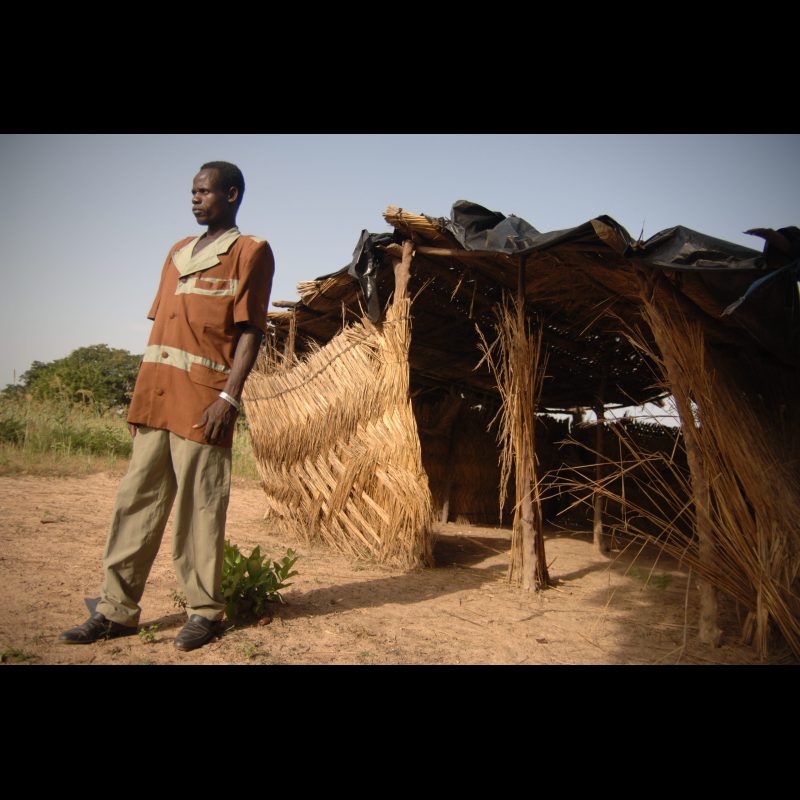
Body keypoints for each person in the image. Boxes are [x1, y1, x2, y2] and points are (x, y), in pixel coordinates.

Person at [59, 161, 274, 651]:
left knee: (200, 510)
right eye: (192, 192)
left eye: (204, 192)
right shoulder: (178, 252)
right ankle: (116, 611)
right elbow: (161, 333)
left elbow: (251, 332)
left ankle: (204, 612)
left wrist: (228, 397)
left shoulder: (250, 251)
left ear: (233, 194)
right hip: (155, 399)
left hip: (203, 403)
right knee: (134, 503)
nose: (195, 198)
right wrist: (138, 400)